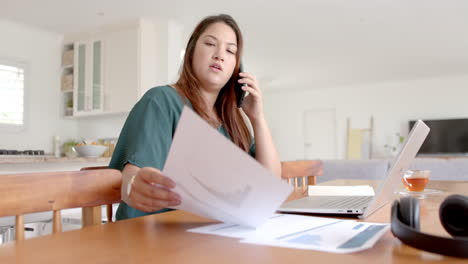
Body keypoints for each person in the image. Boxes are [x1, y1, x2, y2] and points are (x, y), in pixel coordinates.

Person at [109, 14, 281, 220]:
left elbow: (270, 186)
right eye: (210, 43)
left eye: (230, 51)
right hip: (154, 238)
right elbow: (133, 176)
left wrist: (257, 118)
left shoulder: (232, 123)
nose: (220, 55)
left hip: (212, 236)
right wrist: (133, 184)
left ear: (237, 68)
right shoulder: (161, 101)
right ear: (191, 51)